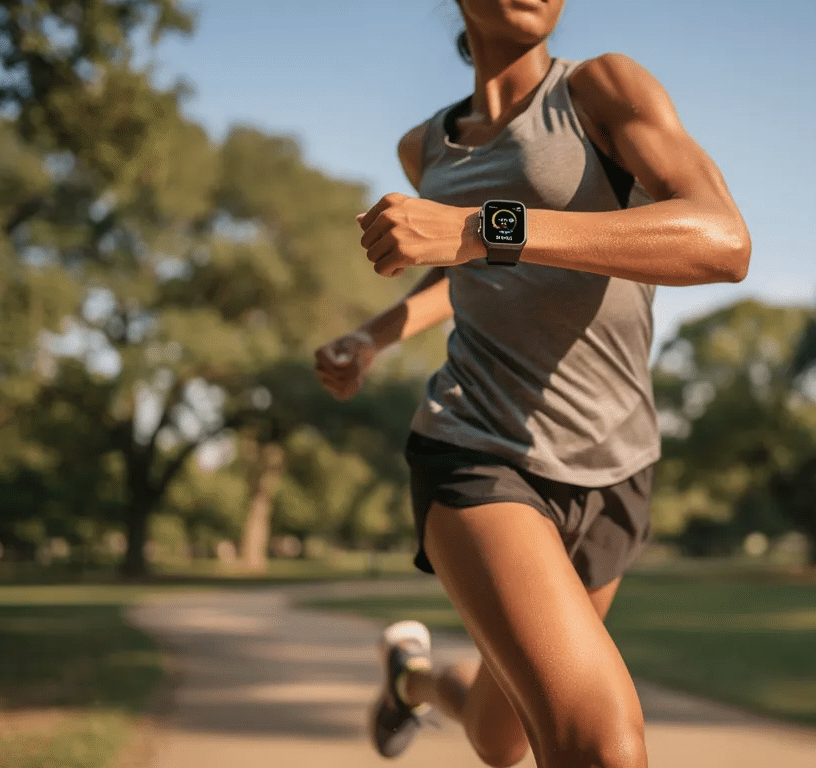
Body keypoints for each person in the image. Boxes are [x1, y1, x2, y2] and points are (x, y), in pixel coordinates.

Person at [313, 1, 749, 766]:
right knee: (600, 745)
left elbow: (722, 240)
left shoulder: (603, 90)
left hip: (618, 463)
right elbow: (465, 279)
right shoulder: (425, 149)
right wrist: (373, 336)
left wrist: (486, 227)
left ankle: (410, 680)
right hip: (478, 445)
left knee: (497, 732)